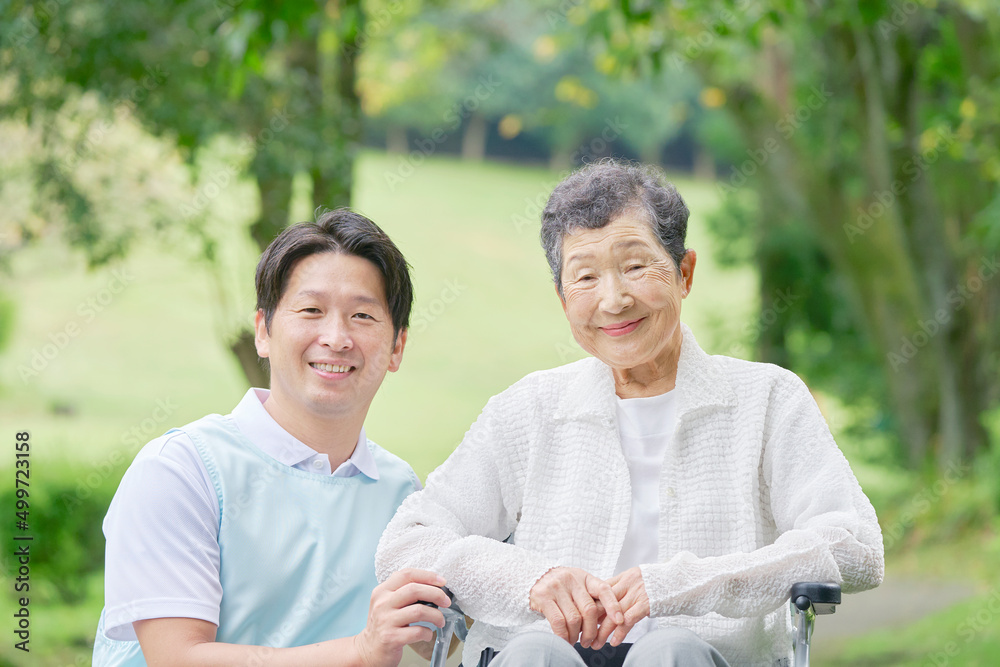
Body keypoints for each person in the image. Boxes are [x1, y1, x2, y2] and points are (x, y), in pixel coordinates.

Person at [375, 160, 884, 667]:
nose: (613, 300)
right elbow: (406, 542)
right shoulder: (525, 411)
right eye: (586, 276)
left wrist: (681, 585)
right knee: (533, 653)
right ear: (562, 297)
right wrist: (529, 579)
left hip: (707, 658)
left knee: (672, 651)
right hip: (536, 655)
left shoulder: (767, 399)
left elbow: (854, 546)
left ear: (684, 273)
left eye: (636, 266)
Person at [93, 209, 451, 667]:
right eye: (311, 311)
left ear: (397, 346)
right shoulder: (181, 469)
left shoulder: (400, 491)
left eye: (362, 315)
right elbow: (178, 658)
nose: (336, 337)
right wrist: (361, 651)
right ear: (263, 330)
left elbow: (435, 643)